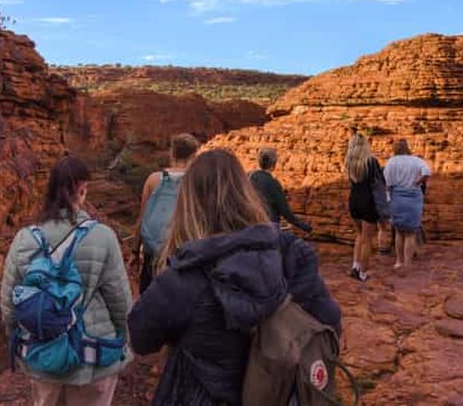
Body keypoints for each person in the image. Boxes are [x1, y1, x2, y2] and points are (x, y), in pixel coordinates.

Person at [127, 149, 341, 406]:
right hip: (279, 396)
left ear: (189, 205)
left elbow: (139, 336)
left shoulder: (185, 276)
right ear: (246, 194)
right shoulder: (292, 255)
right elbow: (328, 323)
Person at [0, 156, 132, 406]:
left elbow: (9, 303)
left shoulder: (24, 239)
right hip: (92, 356)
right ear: (82, 189)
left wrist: (18, 337)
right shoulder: (103, 236)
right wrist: (124, 341)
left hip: (42, 353)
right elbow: (120, 301)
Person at [131, 133, 199, 293]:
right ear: (194, 156)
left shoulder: (153, 180)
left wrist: (135, 251)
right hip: (183, 254)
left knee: (149, 298)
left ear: (172, 153)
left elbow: (142, 218)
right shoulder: (195, 181)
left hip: (153, 253)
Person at [384, 139, 431, 271]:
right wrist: (417, 182)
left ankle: (399, 261)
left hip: (397, 196)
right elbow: (427, 172)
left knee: (399, 231)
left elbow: (388, 183)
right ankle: (408, 263)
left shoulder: (391, 162)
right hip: (414, 196)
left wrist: (388, 198)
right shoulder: (416, 160)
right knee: (411, 232)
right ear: (407, 148)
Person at [344, 133, 385, 282]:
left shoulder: (349, 162)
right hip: (368, 202)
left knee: (360, 235)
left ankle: (355, 266)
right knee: (367, 239)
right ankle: (363, 273)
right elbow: (379, 183)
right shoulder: (371, 162)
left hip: (354, 200)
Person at [249, 147, 312, 234]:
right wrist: (305, 227)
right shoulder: (272, 183)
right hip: (268, 228)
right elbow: (285, 212)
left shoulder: (248, 176)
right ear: (274, 164)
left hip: (250, 225)